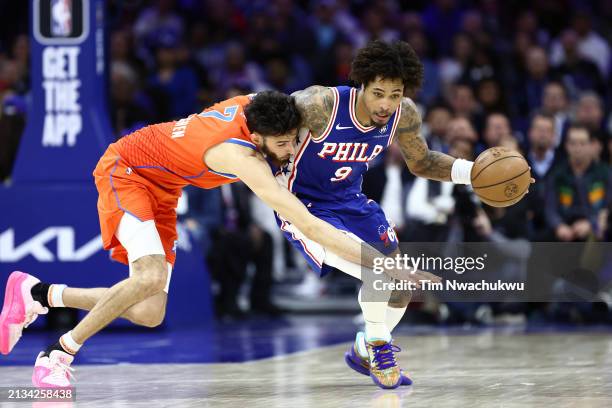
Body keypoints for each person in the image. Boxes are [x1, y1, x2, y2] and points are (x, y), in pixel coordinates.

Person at [0, 91, 432, 388]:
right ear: (257, 138)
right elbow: (310, 225)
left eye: (293, 140)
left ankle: (37, 293)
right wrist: (385, 265)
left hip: (165, 188)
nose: (288, 150)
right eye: (281, 145)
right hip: (126, 172)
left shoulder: (266, 109)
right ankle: (57, 354)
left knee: (150, 313)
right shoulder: (238, 155)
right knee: (149, 276)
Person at [274, 40, 515, 389]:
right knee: (382, 272)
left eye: (395, 94)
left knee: (402, 286)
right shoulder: (318, 105)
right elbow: (262, 128)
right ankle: (379, 347)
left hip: (350, 200)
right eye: (378, 93)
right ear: (361, 86)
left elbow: (423, 162)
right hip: (303, 207)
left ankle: (363, 347)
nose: (387, 104)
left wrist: (472, 171)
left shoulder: (406, 114)